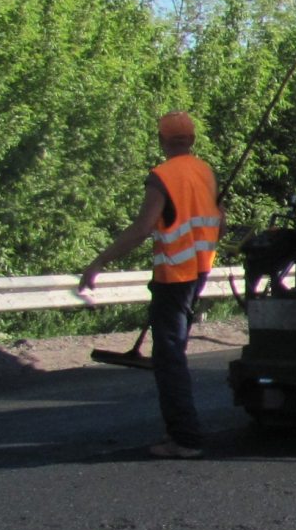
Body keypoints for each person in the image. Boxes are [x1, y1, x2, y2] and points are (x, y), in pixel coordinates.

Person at [79, 111, 223, 459]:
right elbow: (220, 219)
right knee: (173, 351)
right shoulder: (205, 171)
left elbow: (143, 228)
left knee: (169, 356)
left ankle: (185, 438)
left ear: (161, 139)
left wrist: (99, 261)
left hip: (175, 275)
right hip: (200, 270)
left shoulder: (162, 177)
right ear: (191, 139)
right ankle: (180, 431)